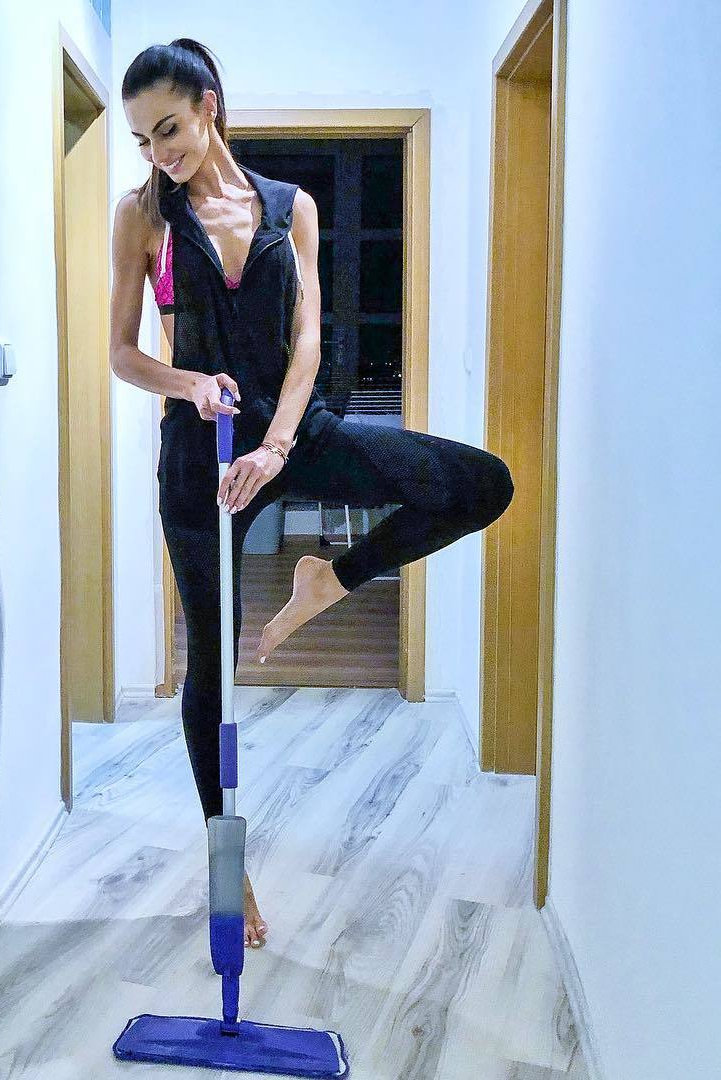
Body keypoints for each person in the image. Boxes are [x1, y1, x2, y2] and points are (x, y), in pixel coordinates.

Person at [111, 38, 514, 950]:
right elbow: (123, 353)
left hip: (290, 435)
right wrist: (190, 385)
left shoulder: (292, 208)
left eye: (168, 128)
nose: (159, 153)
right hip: (200, 461)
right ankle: (229, 871)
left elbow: (307, 340)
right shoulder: (142, 218)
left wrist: (280, 443)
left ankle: (330, 579)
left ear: (208, 106)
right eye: (142, 139)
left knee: (478, 486)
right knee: (211, 665)